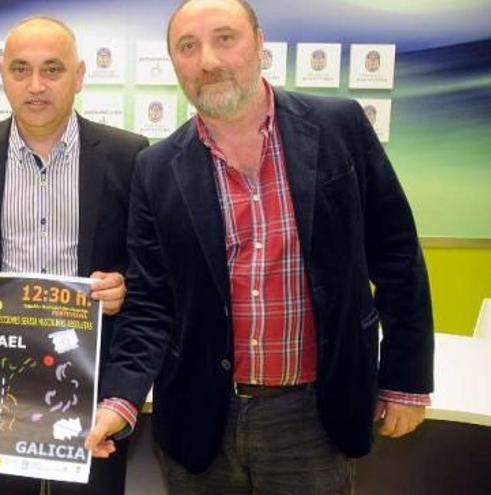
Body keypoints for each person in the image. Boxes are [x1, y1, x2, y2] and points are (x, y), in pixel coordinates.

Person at [86, 0, 434, 493]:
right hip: (200, 417)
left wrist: (406, 379)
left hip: (314, 415)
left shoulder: (340, 127)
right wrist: (118, 402)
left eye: (224, 38)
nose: (207, 60)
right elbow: (151, 302)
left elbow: (397, 256)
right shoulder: (157, 167)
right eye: (188, 46)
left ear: (259, 44)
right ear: (174, 63)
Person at [0, 15, 148, 495]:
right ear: (2, 75)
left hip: (90, 380)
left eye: (52, 70)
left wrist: (124, 284)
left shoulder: (128, 155)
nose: (35, 86)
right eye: (20, 69)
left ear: (79, 76)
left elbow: (147, 260)